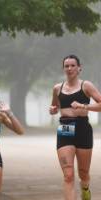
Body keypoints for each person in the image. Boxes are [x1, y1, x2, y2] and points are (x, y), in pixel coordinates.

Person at [49, 54, 101, 200]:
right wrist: (52, 109)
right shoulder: (57, 88)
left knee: (83, 172)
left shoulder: (86, 85)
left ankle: (85, 189)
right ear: (63, 68)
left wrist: (84, 106)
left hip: (82, 128)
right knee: (68, 175)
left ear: (79, 68)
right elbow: (55, 105)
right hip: (65, 128)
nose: (70, 68)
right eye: (67, 66)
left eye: (73, 65)